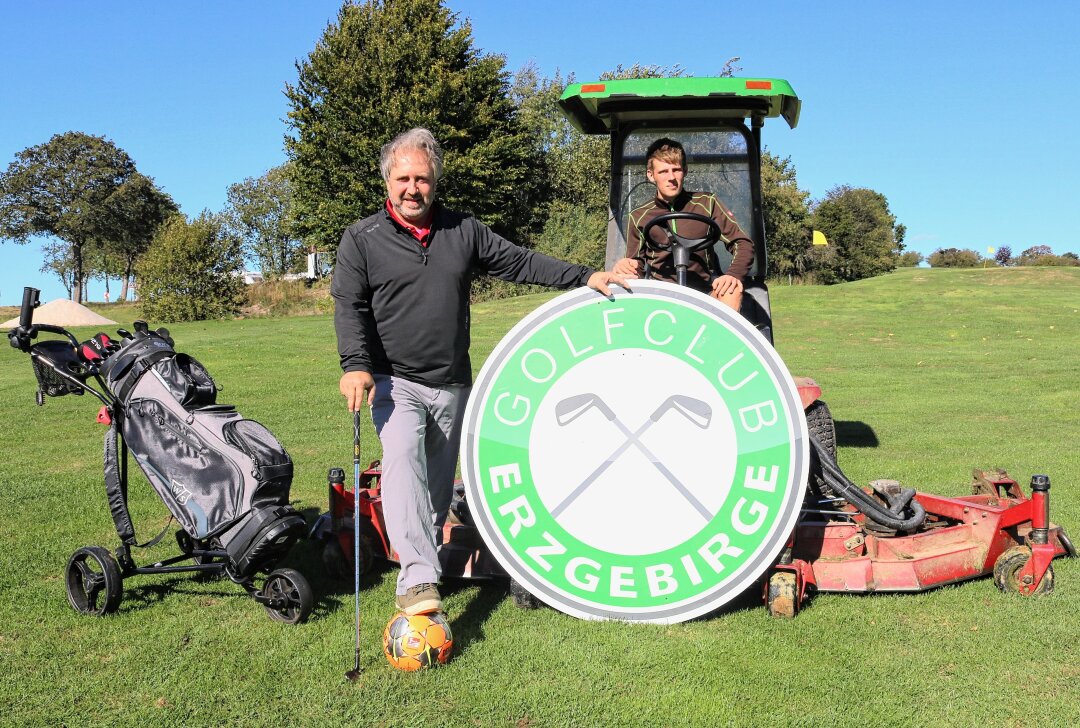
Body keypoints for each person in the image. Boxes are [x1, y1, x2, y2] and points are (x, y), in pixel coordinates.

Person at [332, 128, 628, 616]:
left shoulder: (462, 230)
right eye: (403, 178)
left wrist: (582, 276)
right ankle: (418, 582)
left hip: (451, 382)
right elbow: (349, 307)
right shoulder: (361, 240)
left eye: (422, 179)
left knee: (436, 491)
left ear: (435, 182)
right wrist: (356, 366)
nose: (412, 188)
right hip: (393, 380)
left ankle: (421, 557)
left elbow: (518, 261)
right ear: (387, 182)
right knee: (403, 461)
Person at [612, 138, 753, 311]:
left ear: (685, 171)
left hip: (705, 293)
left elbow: (743, 243)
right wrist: (627, 266)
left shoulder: (707, 203)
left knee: (731, 290)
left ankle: (721, 337)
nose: (671, 177)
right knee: (620, 280)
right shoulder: (638, 216)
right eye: (663, 171)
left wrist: (733, 275)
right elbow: (636, 264)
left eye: (676, 170)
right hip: (660, 297)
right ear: (651, 175)